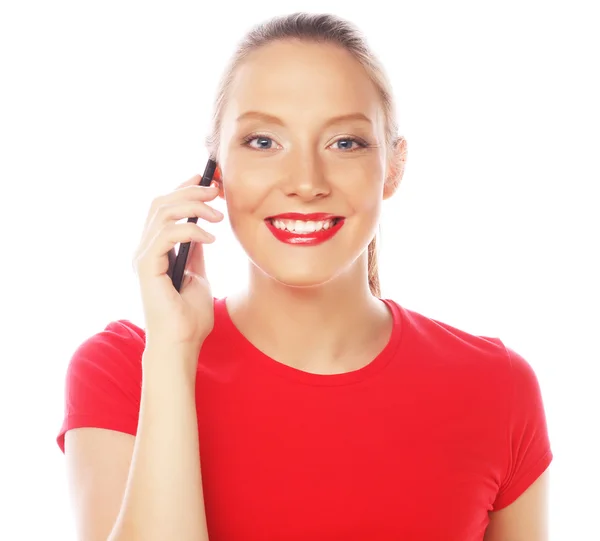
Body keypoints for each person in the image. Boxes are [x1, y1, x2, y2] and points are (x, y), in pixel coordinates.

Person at [57, 12, 553, 541]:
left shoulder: (496, 388)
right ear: (216, 171)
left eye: (344, 143)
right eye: (264, 142)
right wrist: (172, 355)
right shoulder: (123, 371)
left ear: (393, 167)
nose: (306, 182)